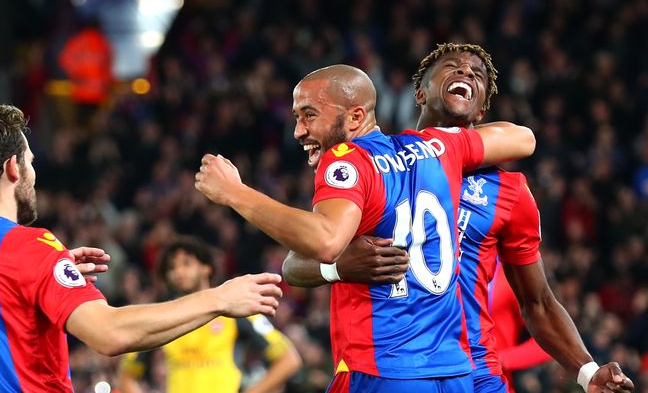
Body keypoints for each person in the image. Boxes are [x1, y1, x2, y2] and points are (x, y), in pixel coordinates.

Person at [280, 43, 634, 393]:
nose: (465, 72)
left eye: (477, 74)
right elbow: (296, 264)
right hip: (391, 368)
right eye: (451, 66)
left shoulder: (510, 192)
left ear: (481, 113)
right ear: (419, 93)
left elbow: (538, 301)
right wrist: (338, 267)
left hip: (476, 373)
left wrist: (587, 371)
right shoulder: (373, 161)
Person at [195, 63, 536, 392]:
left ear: (356, 116)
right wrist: (337, 268)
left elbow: (325, 240)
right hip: (454, 371)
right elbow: (522, 140)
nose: (298, 131)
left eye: (309, 115)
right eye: (297, 117)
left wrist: (235, 194)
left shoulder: (347, 158)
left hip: (384, 367)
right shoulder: (438, 147)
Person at [0, 104, 283, 392]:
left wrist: (41, 277)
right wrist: (218, 298)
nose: (33, 173)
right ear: (13, 168)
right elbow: (111, 334)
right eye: (30, 162)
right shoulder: (26, 247)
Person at [118, 236, 302, 393]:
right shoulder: (163, 316)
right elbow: (126, 375)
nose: (178, 272)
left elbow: (288, 359)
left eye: (186, 263)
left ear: (207, 268)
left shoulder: (234, 310)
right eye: (171, 267)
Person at [490, 262, 552, 393]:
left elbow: (550, 340)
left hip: (494, 384)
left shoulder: (511, 276)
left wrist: (501, 358)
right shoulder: (449, 269)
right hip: (445, 378)